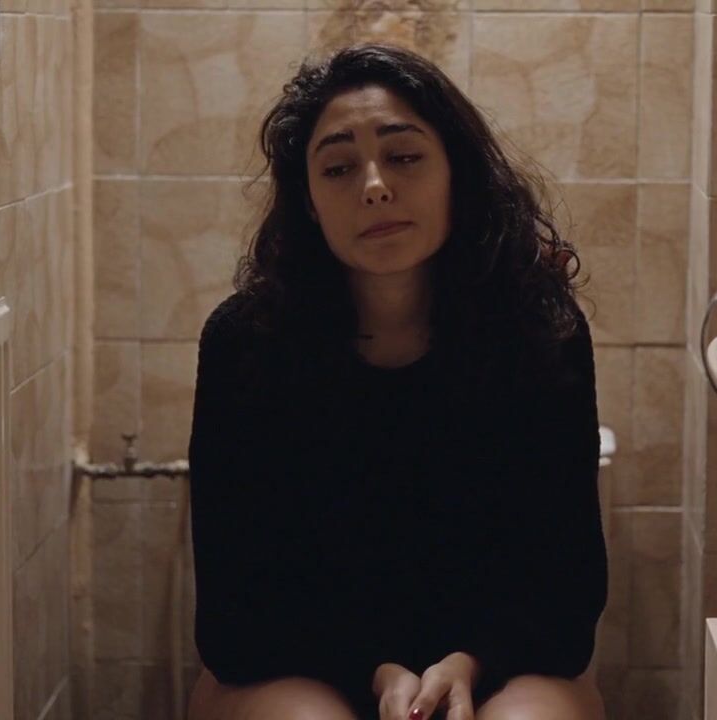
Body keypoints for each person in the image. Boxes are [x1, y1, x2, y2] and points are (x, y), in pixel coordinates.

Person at [186, 44, 608, 720]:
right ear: (309, 203)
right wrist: (376, 672)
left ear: (456, 175)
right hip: (299, 661)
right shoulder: (248, 344)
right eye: (338, 168)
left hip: (498, 662)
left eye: (405, 156)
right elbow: (234, 613)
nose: (375, 186)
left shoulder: (539, 335)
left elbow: (565, 590)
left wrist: (468, 664)